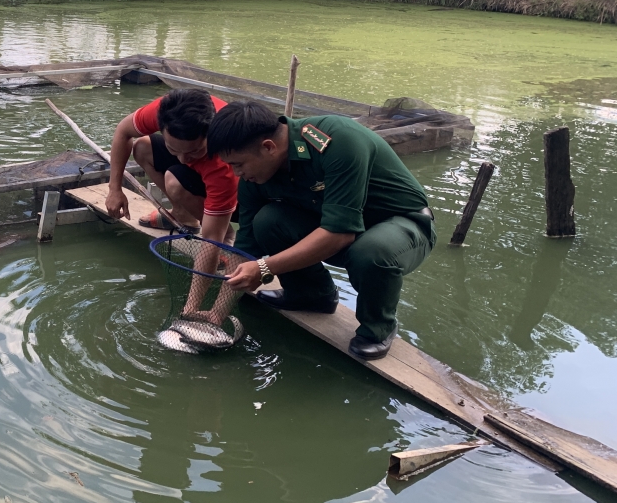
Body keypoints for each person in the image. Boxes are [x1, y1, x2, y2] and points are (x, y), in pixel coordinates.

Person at [209, 100, 436, 360]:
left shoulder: (337, 140)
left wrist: (263, 268)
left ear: (268, 147)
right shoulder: (255, 176)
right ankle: (312, 295)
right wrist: (217, 314)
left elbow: (339, 233)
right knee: (268, 221)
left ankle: (378, 327)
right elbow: (246, 247)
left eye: (238, 164)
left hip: (402, 226)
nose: (236, 173)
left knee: (372, 251)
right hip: (342, 230)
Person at [105, 88, 238, 244]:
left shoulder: (223, 158)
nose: (182, 160)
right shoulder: (167, 111)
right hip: (203, 171)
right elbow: (123, 130)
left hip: (236, 197)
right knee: (142, 147)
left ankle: (227, 231)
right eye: (173, 149)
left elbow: (212, 238)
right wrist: (115, 189)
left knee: (174, 182)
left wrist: (221, 239)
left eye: (195, 151)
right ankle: (183, 214)